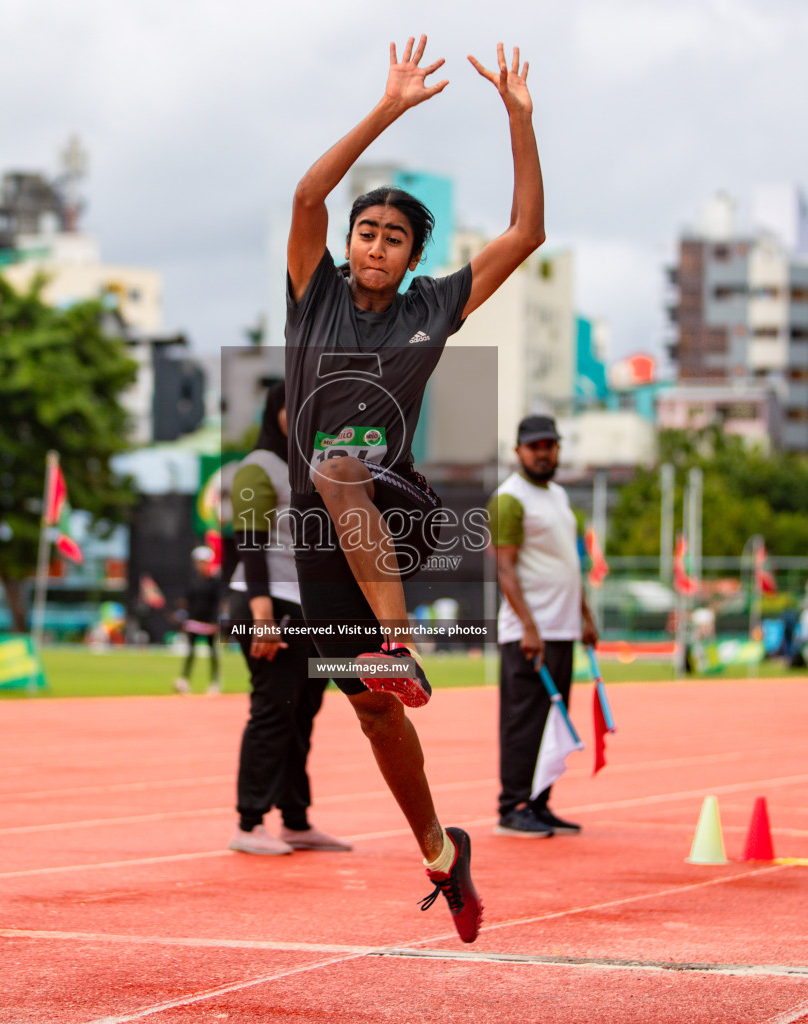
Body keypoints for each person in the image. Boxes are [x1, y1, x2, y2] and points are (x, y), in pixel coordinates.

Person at [283, 36, 544, 943]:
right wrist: (388, 108)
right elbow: (308, 195)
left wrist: (519, 118)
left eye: (394, 236)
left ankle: (398, 637)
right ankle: (441, 851)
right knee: (370, 710)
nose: (375, 244)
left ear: (413, 253)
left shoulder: (436, 306)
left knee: (339, 466)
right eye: (367, 231)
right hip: (320, 535)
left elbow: (526, 233)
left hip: (398, 508)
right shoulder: (311, 292)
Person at [227, 383, 350, 855]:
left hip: (309, 609)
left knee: (302, 716)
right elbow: (251, 545)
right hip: (269, 605)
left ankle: (295, 820)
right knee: (273, 713)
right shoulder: (259, 467)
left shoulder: (314, 469)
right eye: (292, 406)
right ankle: (248, 821)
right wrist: (262, 616)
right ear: (276, 411)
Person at [489, 415, 598, 838]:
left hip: (563, 628)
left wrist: (584, 616)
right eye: (534, 446)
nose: (543, 453)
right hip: (528, 634)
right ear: (518, 451)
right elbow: (505, 568)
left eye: (549, 445)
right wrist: (528, 627)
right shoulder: (509, 499)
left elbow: (570, 566)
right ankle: (512, 806)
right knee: (523, 720)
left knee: (554, 721)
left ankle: (539, 803)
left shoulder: (558, 496)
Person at [174, 547, 222, 695]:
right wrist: (184, 617)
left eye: (204, 562)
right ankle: (184, 680)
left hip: (209, 622)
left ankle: (215, 682)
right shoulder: (191, 581)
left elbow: (217, 602)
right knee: (190, 651)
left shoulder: (214, 582)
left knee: (213, 651)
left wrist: (216, 621)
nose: (201, 565)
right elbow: (186, 601)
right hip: (193, 621)